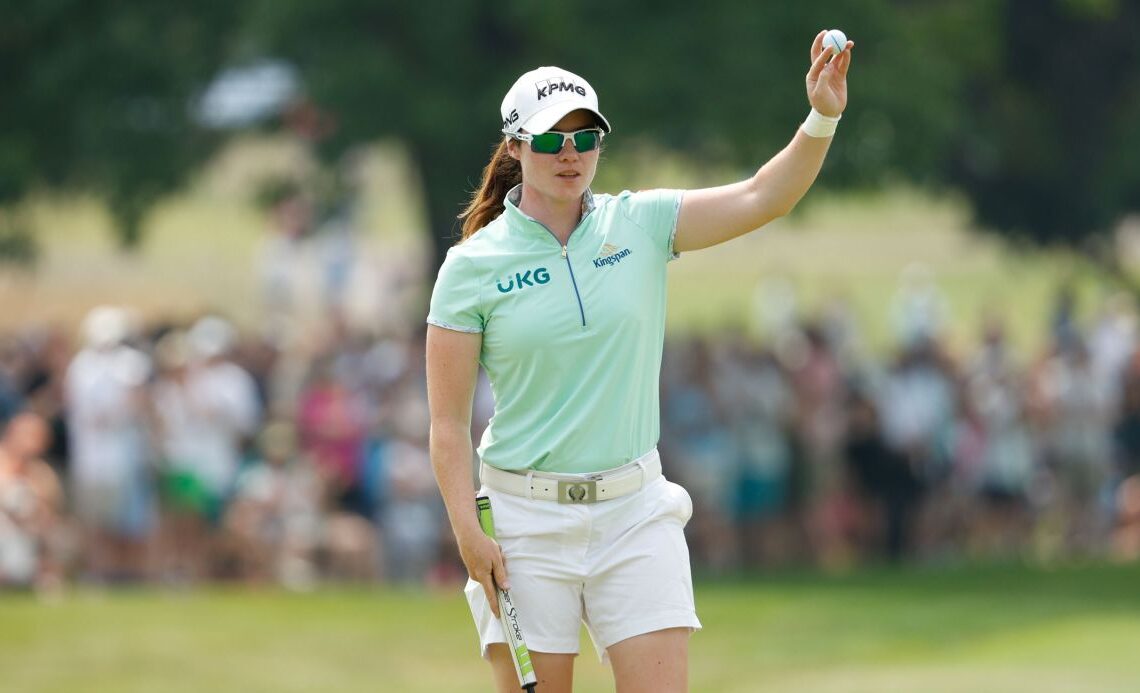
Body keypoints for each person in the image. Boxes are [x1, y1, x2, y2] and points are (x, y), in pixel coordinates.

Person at [426, 33, 852, 693]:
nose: (569, 153)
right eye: (548, 139)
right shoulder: (471, 267)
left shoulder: (640, 223)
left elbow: (765, 197)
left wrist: (821, 116)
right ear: (514, 147)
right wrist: (465, 528)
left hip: (634, 512)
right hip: (523, 521)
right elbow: (447, 422)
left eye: (583, 136)